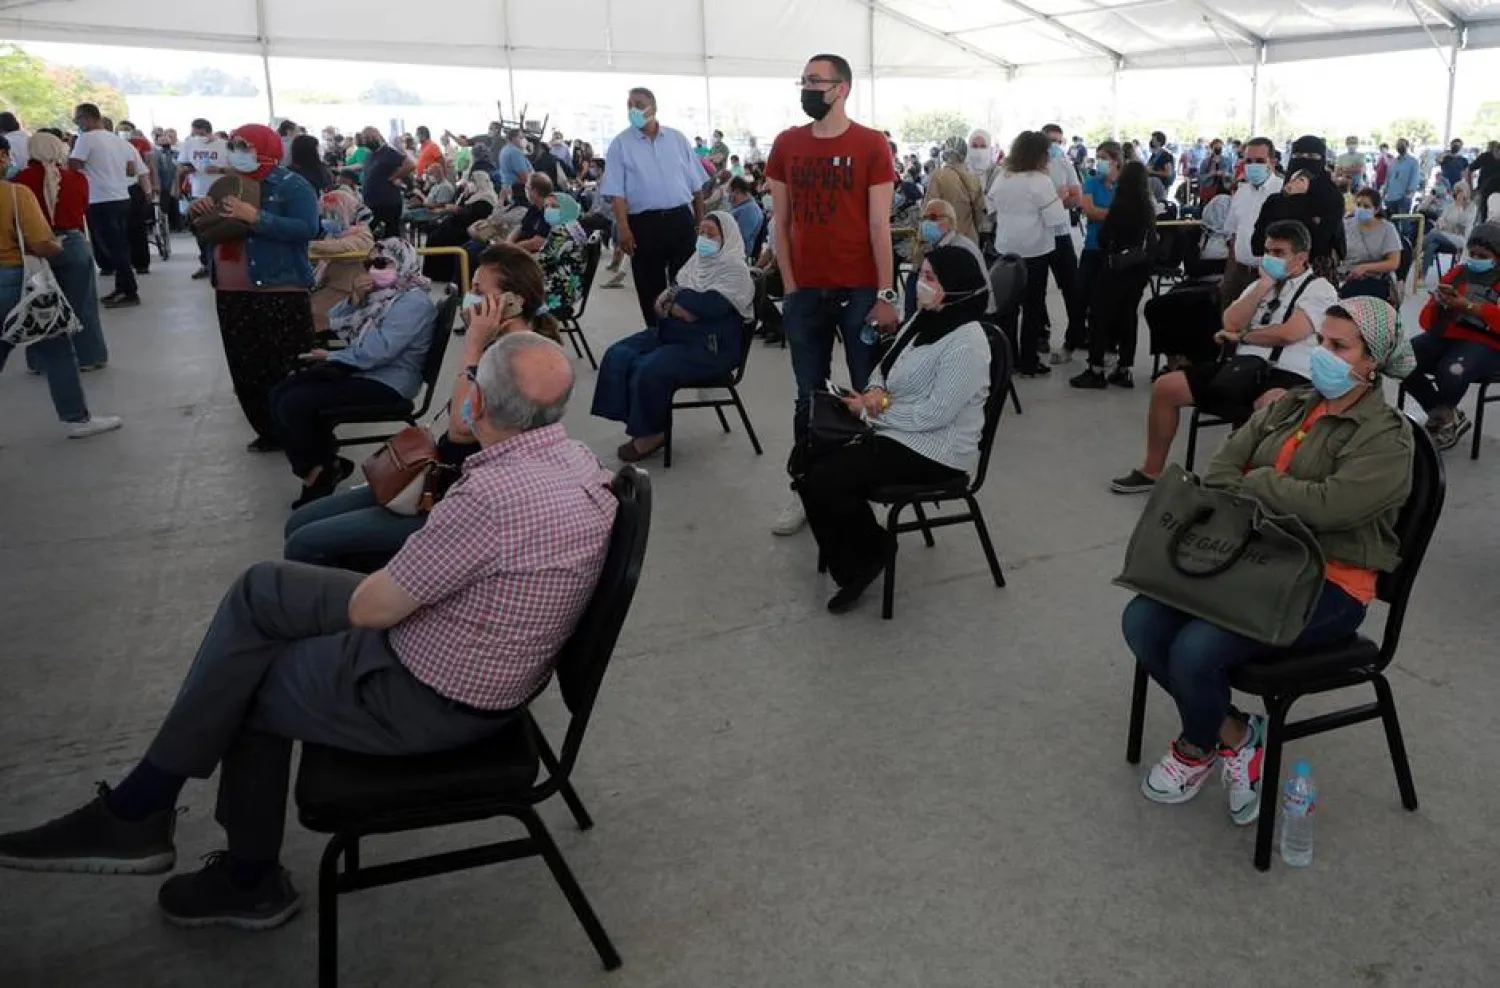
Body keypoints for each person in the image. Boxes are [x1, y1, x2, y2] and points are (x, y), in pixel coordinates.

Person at [0, 332, 615, 930]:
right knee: (261, 588)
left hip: (427, 694)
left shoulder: (492, 497)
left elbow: (375, 608)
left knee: (247, 683)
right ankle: (144, 805)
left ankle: (240, 874)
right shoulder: (577, 461)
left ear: (475, 401)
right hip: (471, 654)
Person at [1125, 296, 1414, 816]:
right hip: (1252, 560)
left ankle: (1197, 746)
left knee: (1195, 650)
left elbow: (1332, 507)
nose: (1322, 354)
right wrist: (1269, 488)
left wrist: (1260, 484)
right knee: (1142, 619)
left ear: (1373, 362)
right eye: (1321, 341)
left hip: (1329, 582)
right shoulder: (1292, 404)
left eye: (1339, 347)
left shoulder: (1386, 439)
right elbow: (1220, 470)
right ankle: (1236, 735)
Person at [285, 244, 564, 570]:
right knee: (300, 522)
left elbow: (462, 429)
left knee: (304, 542)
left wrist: (472, 346)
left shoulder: (525, 359)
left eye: (478, 291)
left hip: (457, 503)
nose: (471, 299)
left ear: (512, 301)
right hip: (437, 474)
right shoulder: (498, 344)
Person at [798, 246, 991, 614]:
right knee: (808, 457)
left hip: (937, 450)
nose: (922, 283)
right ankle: (865, 546)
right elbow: (884, 370)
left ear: (957, 286)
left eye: (933, 278)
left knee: (828, 475)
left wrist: (875, 412)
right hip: (900, 431)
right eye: (923, 275)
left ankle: (867, 556)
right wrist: (872, 393)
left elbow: (936, 414)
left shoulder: (968, 342)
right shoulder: (926, 320)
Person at [765, 53, 898, 536]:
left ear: (841, 88)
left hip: (861, 290)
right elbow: (781, 221)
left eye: (815, 81)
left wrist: (884, 292)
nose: (807, 88)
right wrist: (791, 283)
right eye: (803, 80)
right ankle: (807, 486)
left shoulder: (871, 145)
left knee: (870, 393)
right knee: (809, 395)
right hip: (807, 292)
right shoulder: (787, 144)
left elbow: (879, 224)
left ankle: (874, 484)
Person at [1110, 219, 1337, 494]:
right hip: (1243, 366)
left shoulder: (1320, 289)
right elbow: (1229, 322)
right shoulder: (1260, 285)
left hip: (1288, 373)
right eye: (1267, 251)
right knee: (1166, 387)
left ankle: (1254, 487)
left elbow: (1289, 333)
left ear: (1301, 257)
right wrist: (1262, 288)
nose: (1270, 258)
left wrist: (1243, 337)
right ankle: (1152, 471)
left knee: (1270, 407)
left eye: (1279, 253)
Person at [271, 238, 436, 507]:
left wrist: (334, 356)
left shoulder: (412, 303)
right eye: (369, 263)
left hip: (388, 382)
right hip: (363, 369)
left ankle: (318, 471)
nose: (373, 269)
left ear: (403, 264)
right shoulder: (384, 296)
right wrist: (355, 299)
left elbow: (378, 351)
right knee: (281, 392)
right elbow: (340, 325)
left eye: (382, 263)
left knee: (294, 403)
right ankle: (324, 463)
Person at [189, 124, 319, 452]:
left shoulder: (292, 186)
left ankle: (301, 431)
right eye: (233, 145)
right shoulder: (227, 185)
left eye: (244, 146)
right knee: (246, 366)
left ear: (265, 148)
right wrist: (201, 214)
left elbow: (307, 229)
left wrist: (256, 217)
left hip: (279, 288)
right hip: (231, 289)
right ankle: (268, 430)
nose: (236, 152)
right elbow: (213, 231)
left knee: (287, 365)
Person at [592, 210, 753, 462]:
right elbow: (669, 299)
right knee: (619, 354)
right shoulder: (695, 262)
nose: (703, 238)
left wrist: (676, 298)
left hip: (711, 347)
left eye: (711, 234)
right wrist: (678, 302)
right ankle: (639, 420)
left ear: (727, 238)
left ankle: (653, 434)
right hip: (676, 331)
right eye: (701, 232)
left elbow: (709, 306)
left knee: (650, 368)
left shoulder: (735, 270)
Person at [0, 141, 122, 438]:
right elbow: (41, 240)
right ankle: (76, 418)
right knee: (56, 346)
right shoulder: (15, 193)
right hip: (15, 277)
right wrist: (55, 248)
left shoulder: (24, 180)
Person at [600, 87, 706, 328]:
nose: (633, 109)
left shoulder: (677, 139)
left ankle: (686, 334)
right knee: (650, 286)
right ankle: (657, 334)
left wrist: (701, 220)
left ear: (654, 107)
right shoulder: (620, 145)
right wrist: (624, 230)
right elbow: (617, 193)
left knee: (687, 282)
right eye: (629, 105)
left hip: (680, 220)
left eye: (638, 104)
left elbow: (696, 185)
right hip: (644, 224)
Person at [16, 131, 110, 373]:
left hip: (35, 247)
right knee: (83, 303)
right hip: (73, 243)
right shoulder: (78, 179)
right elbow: (82, 209)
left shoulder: (20, 182)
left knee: (39, 304)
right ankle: (90, 356)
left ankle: (42, 361)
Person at [1405, 222, 1500, 451]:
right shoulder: (1458, 273)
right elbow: (1426, 322)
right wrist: (1439, 303)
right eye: (1473, 253)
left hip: (1487, 344)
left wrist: (1470, 307)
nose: (1476, 258)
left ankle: (1443, 419)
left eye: (1483, 255)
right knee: (1400, 359)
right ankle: (1446, 415)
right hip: (1446, 334)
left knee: (1452, 372)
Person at [988, 130, 1069, 377]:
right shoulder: (1040, 181)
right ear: (1039, 154)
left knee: (1008, 309)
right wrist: (1060, 199)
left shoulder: (1003, 177)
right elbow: (1055, 219)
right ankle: (1029, 360)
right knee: (1033, 309)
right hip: (1034, 252)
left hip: (1005, 249)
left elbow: (990, 209)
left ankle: (1008, 358)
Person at [1071, 160, 1155, 390]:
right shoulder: (1147, 206)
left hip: (1115, 269)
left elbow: (1105, 237)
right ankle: (1124, 369)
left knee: (1099, 315)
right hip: (1138, 270)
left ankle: (1096, 369)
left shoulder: (1120, 205)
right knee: (1129, 317)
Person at [68, 103, 139, 308]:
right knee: (121, 245)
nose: (78, 124)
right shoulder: (118, 140)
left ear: (87, 118)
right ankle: (121, 287)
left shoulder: (86, 138)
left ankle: (129, 291)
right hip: (121, 196)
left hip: (100, 199)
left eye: (78, 120)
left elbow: (74, 165)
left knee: (112, 248)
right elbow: (131, 169)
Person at [1221, 137, 1283, 309]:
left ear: (1273, 162)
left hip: (1270, 276)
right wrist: (1228, 276)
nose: (1253, 165)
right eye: (1248, 161)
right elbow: (1234, 234)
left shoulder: (1283, 193)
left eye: (1260, 161)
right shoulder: (1241, 193)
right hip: (1239, 273)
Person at [1040, 123, 1084, 362]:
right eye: (1051, 141)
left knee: (1071, 286)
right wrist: (1058, 197)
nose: (1055, 146)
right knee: (1034, 290)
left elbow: (1076, 198)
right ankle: (1040, 333)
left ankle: (1075, 335)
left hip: (1061, 233)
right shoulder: (1030, 166)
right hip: (1035, 236)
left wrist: (1059, 201)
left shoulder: (1065, 164)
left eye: (1059, 141)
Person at [909, 198, 990, 318]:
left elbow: (957, 294)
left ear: (950, 221)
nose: (926, 223)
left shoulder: (959, 250)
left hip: (973, 313)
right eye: (923, 219)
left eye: (933, 218)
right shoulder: (943, 245)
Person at [309, 188, 376, 333]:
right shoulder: (335, 233)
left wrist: (311, 245)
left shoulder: (361, 232)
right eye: (326, 214)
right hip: (331, 285)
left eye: (334, 214)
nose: (328, 219)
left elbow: (344, 247)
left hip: (347, 290)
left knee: (312, 311)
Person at [1075, 141, 1119, 352]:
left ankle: (1107, 343)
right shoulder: (1091, 182)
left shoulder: (1123, 185)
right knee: (1081, 295)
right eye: (1098, 157)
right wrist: (1114, 213)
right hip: (1092, 247)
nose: (1100, 162)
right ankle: (1074, 339)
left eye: (1105, 158)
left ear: (1116, 161)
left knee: (1108, 301)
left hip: (1114, 250)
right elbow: (1089, 211)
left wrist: (1104, 213)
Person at [422, 171, 497, 282]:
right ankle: (432, 274)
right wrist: (463, 195)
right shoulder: (473, 196)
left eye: (473, 181)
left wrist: (458, 211)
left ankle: (442, 275)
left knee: (438, 238)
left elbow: (474, 217)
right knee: (433, 233)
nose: (471, 183)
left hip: (466, 230)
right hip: (457, 225)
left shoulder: (487, 199)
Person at [178, 118, 227, 279]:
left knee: (219, 229)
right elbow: (184, 164)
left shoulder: (224, 145)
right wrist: (186, 170)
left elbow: (235, 169)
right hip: (198, 192)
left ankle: (220, 263)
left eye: (197, 133)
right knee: (200, 230)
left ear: (206, 131)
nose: (195, 137)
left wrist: (219, 169)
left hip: (220, 192)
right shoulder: (190, 144)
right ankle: (206, 263)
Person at [1338, 187, 1402, 303]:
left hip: (1374, 278)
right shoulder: (1345, 225)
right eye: (1358, 205)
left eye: (1366, 206)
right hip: (1346, 276)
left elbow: (1393, 263)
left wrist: (1365, 268)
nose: (1361, 209)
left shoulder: (1387, 229)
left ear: (1376, 209)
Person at [923, 137, 984, 243]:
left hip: (946, 238)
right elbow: (979, 214)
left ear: (945, 154)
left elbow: (929, 210)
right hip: (970, 239)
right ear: (965, 155)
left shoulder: (938, 176)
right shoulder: (974, 178)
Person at [536, 190, 587, 314]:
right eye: (546, 206)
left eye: (554, 206)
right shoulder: (574, 226)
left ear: (567, 208)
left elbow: (542, 261)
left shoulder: (561, 231)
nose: (549, 210)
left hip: (557, 293)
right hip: (571, 288)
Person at [357, 128, 413, 239]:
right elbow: (363, 167)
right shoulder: (370, 155)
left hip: (387, 203)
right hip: (372, 203)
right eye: (365, 139)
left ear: (376, 137)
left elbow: (410, 165)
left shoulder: (388, 152)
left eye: (368, 138)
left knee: (390, 238)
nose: (366, 141)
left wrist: (394, 177)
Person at [1422, 181, 1476, 278]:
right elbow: (1442, 220)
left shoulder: (1471, 207)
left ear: (1466, 193)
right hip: (1445, 235)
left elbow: (1464, 224)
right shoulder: (1450, 206)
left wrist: (1459, 208)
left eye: (1461, 191)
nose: (1458, 194)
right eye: (1457, 192)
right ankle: (1422, 276)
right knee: (1431, 244)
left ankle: (1419, 248)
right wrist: (1440, 224)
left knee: (1433, 235)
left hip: (1460, 238)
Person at [1381, 138, 1421, 222]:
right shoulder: (1393, 162)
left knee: (1404, 223)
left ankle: (1404, 235)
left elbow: (1415, 178)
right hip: (1391, 196)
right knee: (1391, 223)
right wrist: (1384, 191)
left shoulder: (1413, 162)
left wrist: (1408, 193)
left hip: (1403, 197)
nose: (1400, 146)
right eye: (1398, 145)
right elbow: (1388, 178)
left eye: (1402, 144)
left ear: (1407, 146)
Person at [726, 176, 764, 256]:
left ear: (737, 191)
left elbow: (741, 237)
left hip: (736, 253)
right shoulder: (741, 206)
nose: (728, 196)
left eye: (729, 192)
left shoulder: (750, 210)